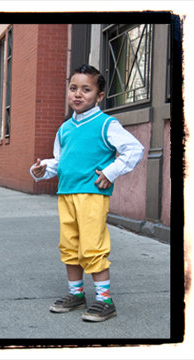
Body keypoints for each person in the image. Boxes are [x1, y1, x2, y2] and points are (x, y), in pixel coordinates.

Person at [30, 65, 144, 322]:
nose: (78, 94)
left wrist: (110, 172)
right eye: (73, 88)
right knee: (69, 247)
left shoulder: (106, 124)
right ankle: (77, 295)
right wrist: (42, 170)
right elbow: (61, 162)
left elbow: (133, 150)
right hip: (66, 195)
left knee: (92, 247)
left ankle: (105, 301)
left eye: (86, 89)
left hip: (91, 196)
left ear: (100, 95)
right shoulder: (64, 129)